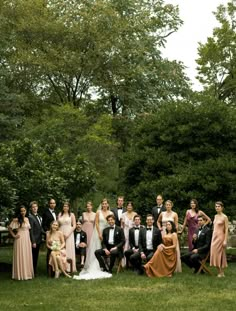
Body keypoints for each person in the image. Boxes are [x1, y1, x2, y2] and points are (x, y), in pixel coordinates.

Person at [74, 198, 113, 280]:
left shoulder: (111, 213)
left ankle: (107, 265)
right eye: (103, 203)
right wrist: (99, 233)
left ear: (108, 204)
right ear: (101, 204)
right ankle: (98, 265)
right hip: (99, 233)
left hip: (108, 233)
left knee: (106, 247)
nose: (104, 205)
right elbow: (97, 223)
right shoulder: (98, 212)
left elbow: (112, 222)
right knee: (98, 248)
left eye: (106, 203)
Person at [8, 206, 34, 280]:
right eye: (21, 211)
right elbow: (9, 228)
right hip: (20, 239)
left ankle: (27, 274)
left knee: (26, 255)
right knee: (20, 254)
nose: (23, 212)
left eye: (24, 210)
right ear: (19, 212)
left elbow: (28, 230)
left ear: (26, 211)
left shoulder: (27, 219)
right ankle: (20, 274)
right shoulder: (16, 220)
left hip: (27, 239)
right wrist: (14, 235)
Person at [157, 200, 182, 272]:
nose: (168, 206)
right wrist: (159, 227)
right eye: (167, 205)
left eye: (169, 205)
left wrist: (175, 233)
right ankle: (163, 265)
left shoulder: (175, 214)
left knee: (172, 247)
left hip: (172, 232)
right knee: (163, 247)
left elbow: (176, 225)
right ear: (165, 206)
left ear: (171, 205)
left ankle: (173, 266)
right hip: (163, 232)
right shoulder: (162, 213)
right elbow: (158, 221)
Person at [210, 201, 228, 277]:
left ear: (222, 208)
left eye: (218, 206)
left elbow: (226, 229)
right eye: (216, 206)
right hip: (214, 237)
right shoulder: (215, 216)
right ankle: (219, 271)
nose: (217, 208)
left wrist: (225, 240)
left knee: (221, 254)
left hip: (221, 237)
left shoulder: (225, 217)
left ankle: (221, 272)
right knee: (214, 253)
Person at [58, 202, 77, 272]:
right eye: (64, 206)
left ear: (69, 207)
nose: (65, 207)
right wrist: (59, 234)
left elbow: (74, 225)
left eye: (66, 206)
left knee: (68, 249)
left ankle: (69, 267)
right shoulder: (60, 214)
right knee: (61, 249)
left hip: (69, 233)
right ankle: (61, 267)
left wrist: (68, 234)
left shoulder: (72, 215)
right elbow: (57, 224)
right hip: (61, 232)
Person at [28, 201, 43, 275]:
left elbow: (40, 228)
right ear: (31, 208)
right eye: (33, 207)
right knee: (33, 256)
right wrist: (33, 241)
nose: (34, 208)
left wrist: (46, 232)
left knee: (36, 256)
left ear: (37, 207)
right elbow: (31, 230)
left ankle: (34, 270)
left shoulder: (39, 217)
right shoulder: (30, 217)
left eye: (36, 207)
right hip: (34, 241)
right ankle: (32, 271)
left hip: (39, 239)